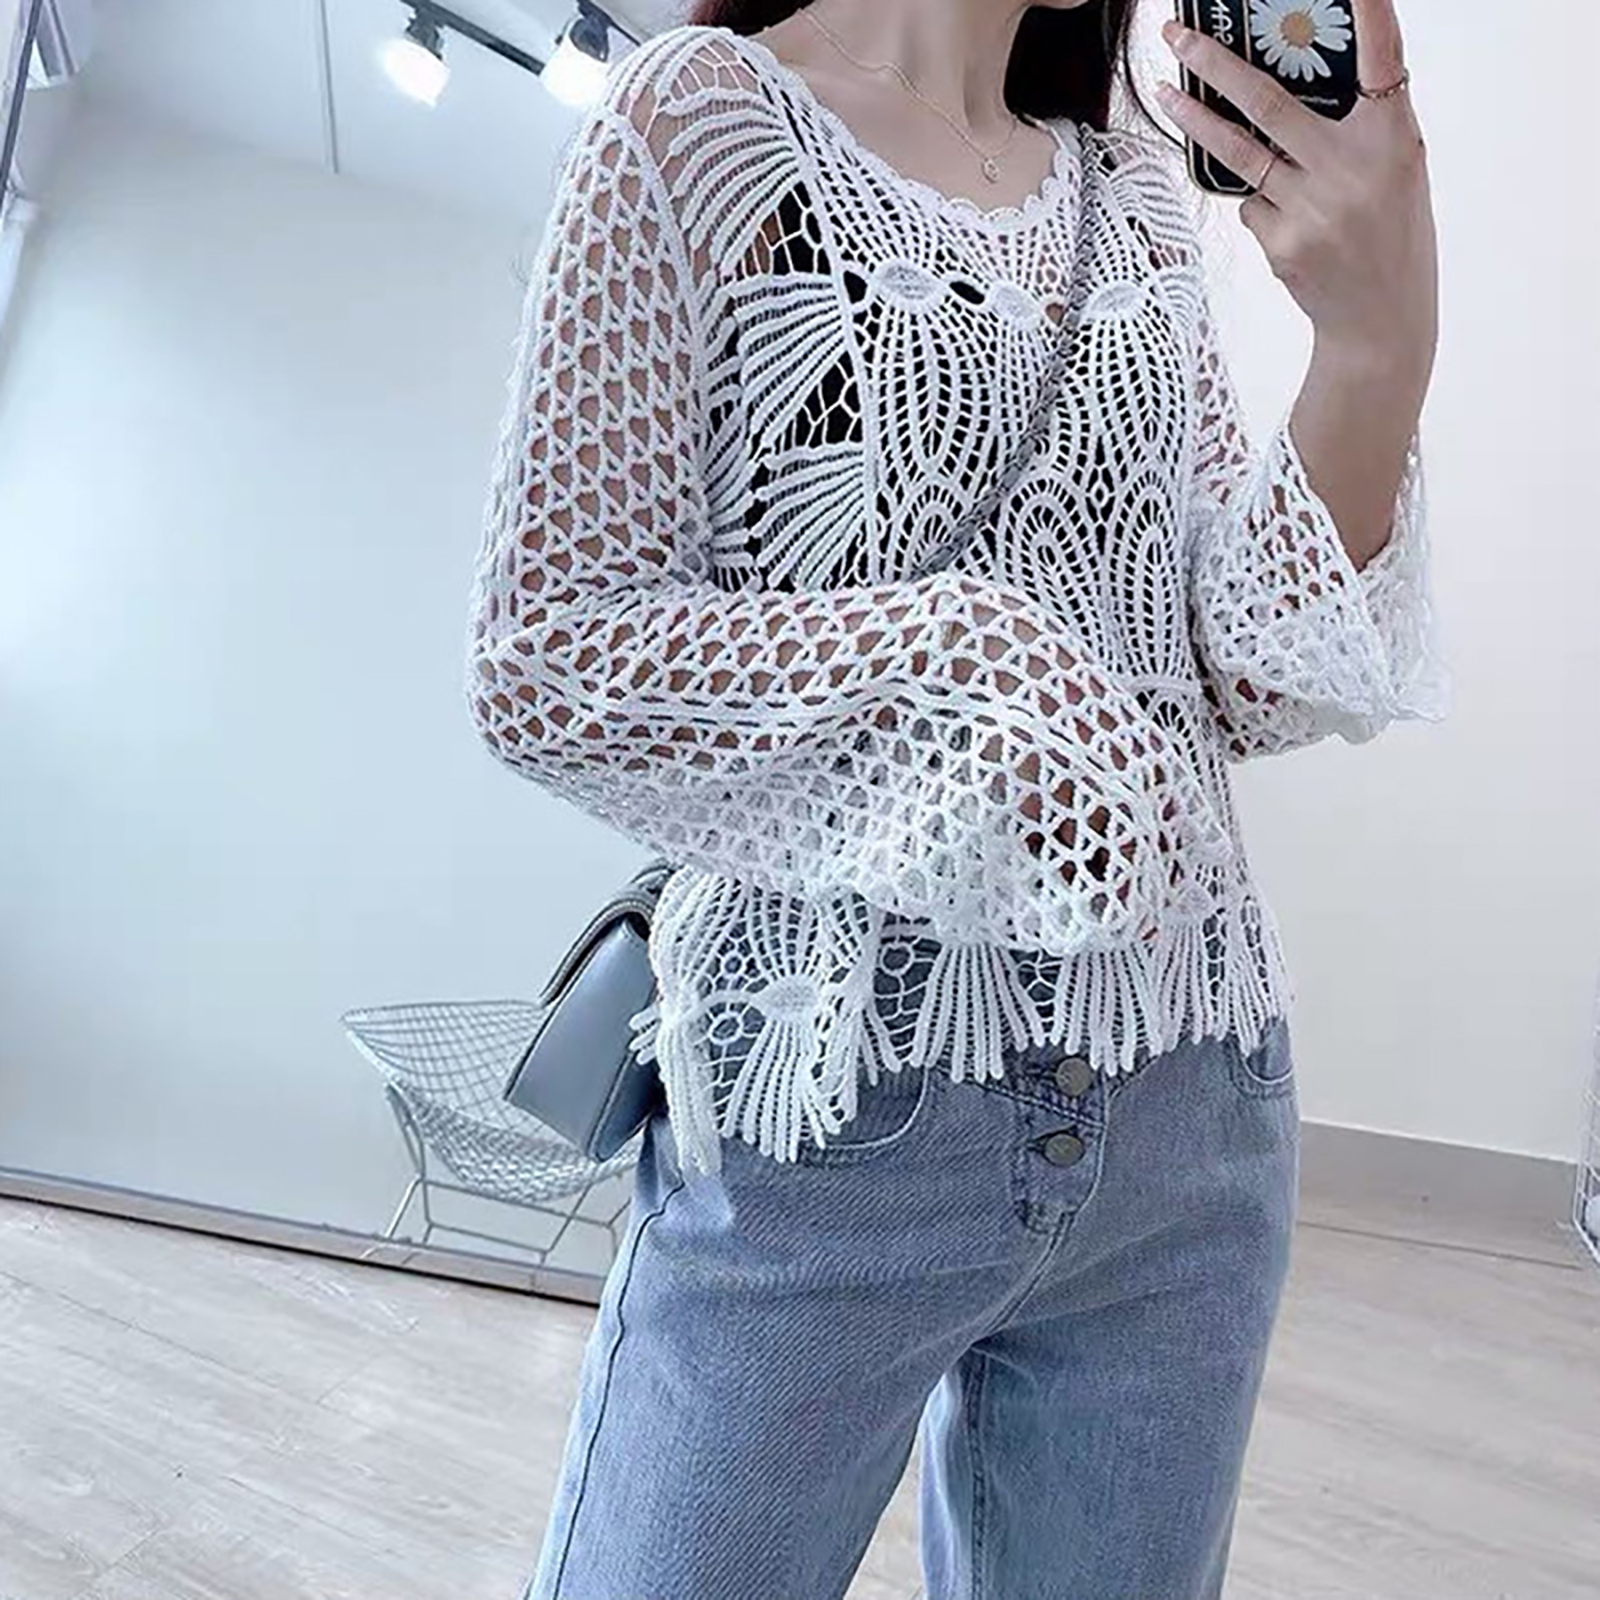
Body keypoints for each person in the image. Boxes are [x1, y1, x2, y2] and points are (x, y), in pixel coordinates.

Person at [464, 1, 1445, 1594]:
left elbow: (1240, 681)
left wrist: (1376, 351)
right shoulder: (700, 119)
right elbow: (549, 655)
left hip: (1188, 1111)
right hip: (824, 1105)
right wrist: (963, 661)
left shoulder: (1130, 188)